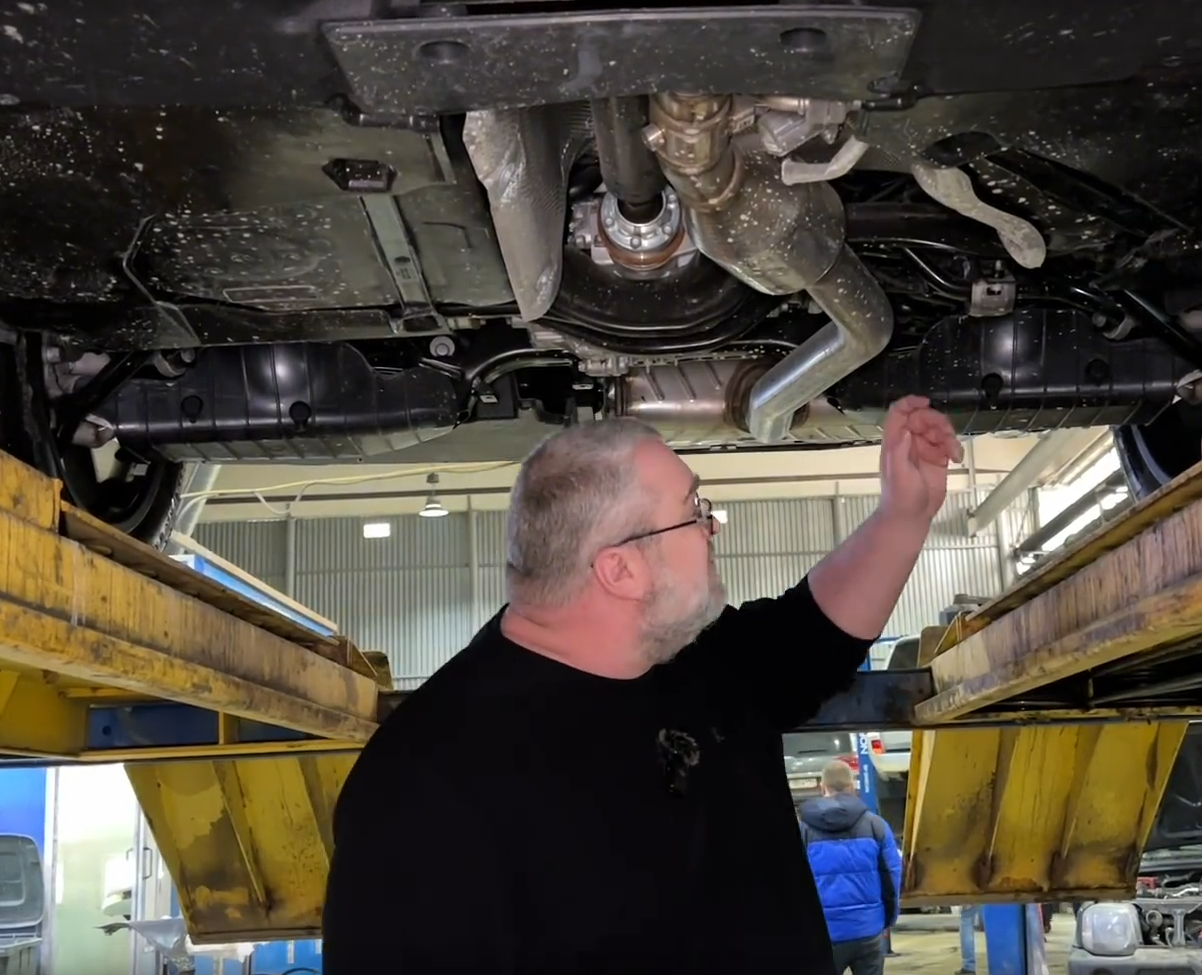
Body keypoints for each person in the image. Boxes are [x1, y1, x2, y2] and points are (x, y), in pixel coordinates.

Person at [320, 396, 962, 975]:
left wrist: (904, 514)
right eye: (693, 512)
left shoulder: (691, 661)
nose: (712, 526)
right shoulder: (421, 790)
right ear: (621, 570)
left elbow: (812, 634)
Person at [800, 760, 903, 975]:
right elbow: (892, 874)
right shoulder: (876, 825)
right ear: (852, 787)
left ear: (823, 787)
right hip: (868, 930)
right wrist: (888, 918)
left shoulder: (803, 830)